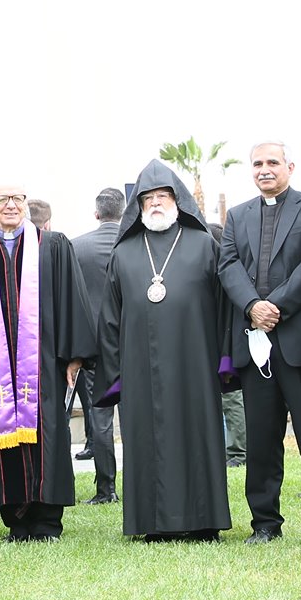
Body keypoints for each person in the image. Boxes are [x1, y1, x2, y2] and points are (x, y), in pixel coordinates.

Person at [0, 183, 95, 541]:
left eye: (17, 198)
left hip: (43, 365)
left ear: (26, 204)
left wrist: (74, 356)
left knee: (46, 435)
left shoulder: (52, 245)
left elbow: (72, 298)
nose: (10, 205)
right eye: (2, 199)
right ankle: (15, 519)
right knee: (0, 438)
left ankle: (47, 520)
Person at [94, 164, 233, 541]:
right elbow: (110, 317)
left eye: (162, 197)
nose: (155, 203)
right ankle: (152, 524)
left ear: (177, 201)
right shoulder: (124, 252)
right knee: (146, 440)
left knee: (197, 436)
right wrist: (114, 372)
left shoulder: (204, 244)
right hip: (140, 367)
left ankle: (203, 522)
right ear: (138, 206)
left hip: (196, 363)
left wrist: (224, 360)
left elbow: (224, 308)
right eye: (148, 199)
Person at [217, 141, 301, 546]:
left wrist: (275, 306)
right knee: (261, 440)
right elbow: (228, 265)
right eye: (257, 164)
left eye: (273, 162)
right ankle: (265, 523)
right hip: (255, 345)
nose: (264, 169)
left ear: (290, 166)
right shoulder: (238, 215)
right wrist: (252, 306)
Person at [69, 187, 125, 504]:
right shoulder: (134, 243)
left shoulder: (77, 247)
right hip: (132, 342)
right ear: (123, 212)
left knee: (100, 418)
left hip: (94, 346)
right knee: (138, 417)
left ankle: (106, 489)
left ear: (96, 214)